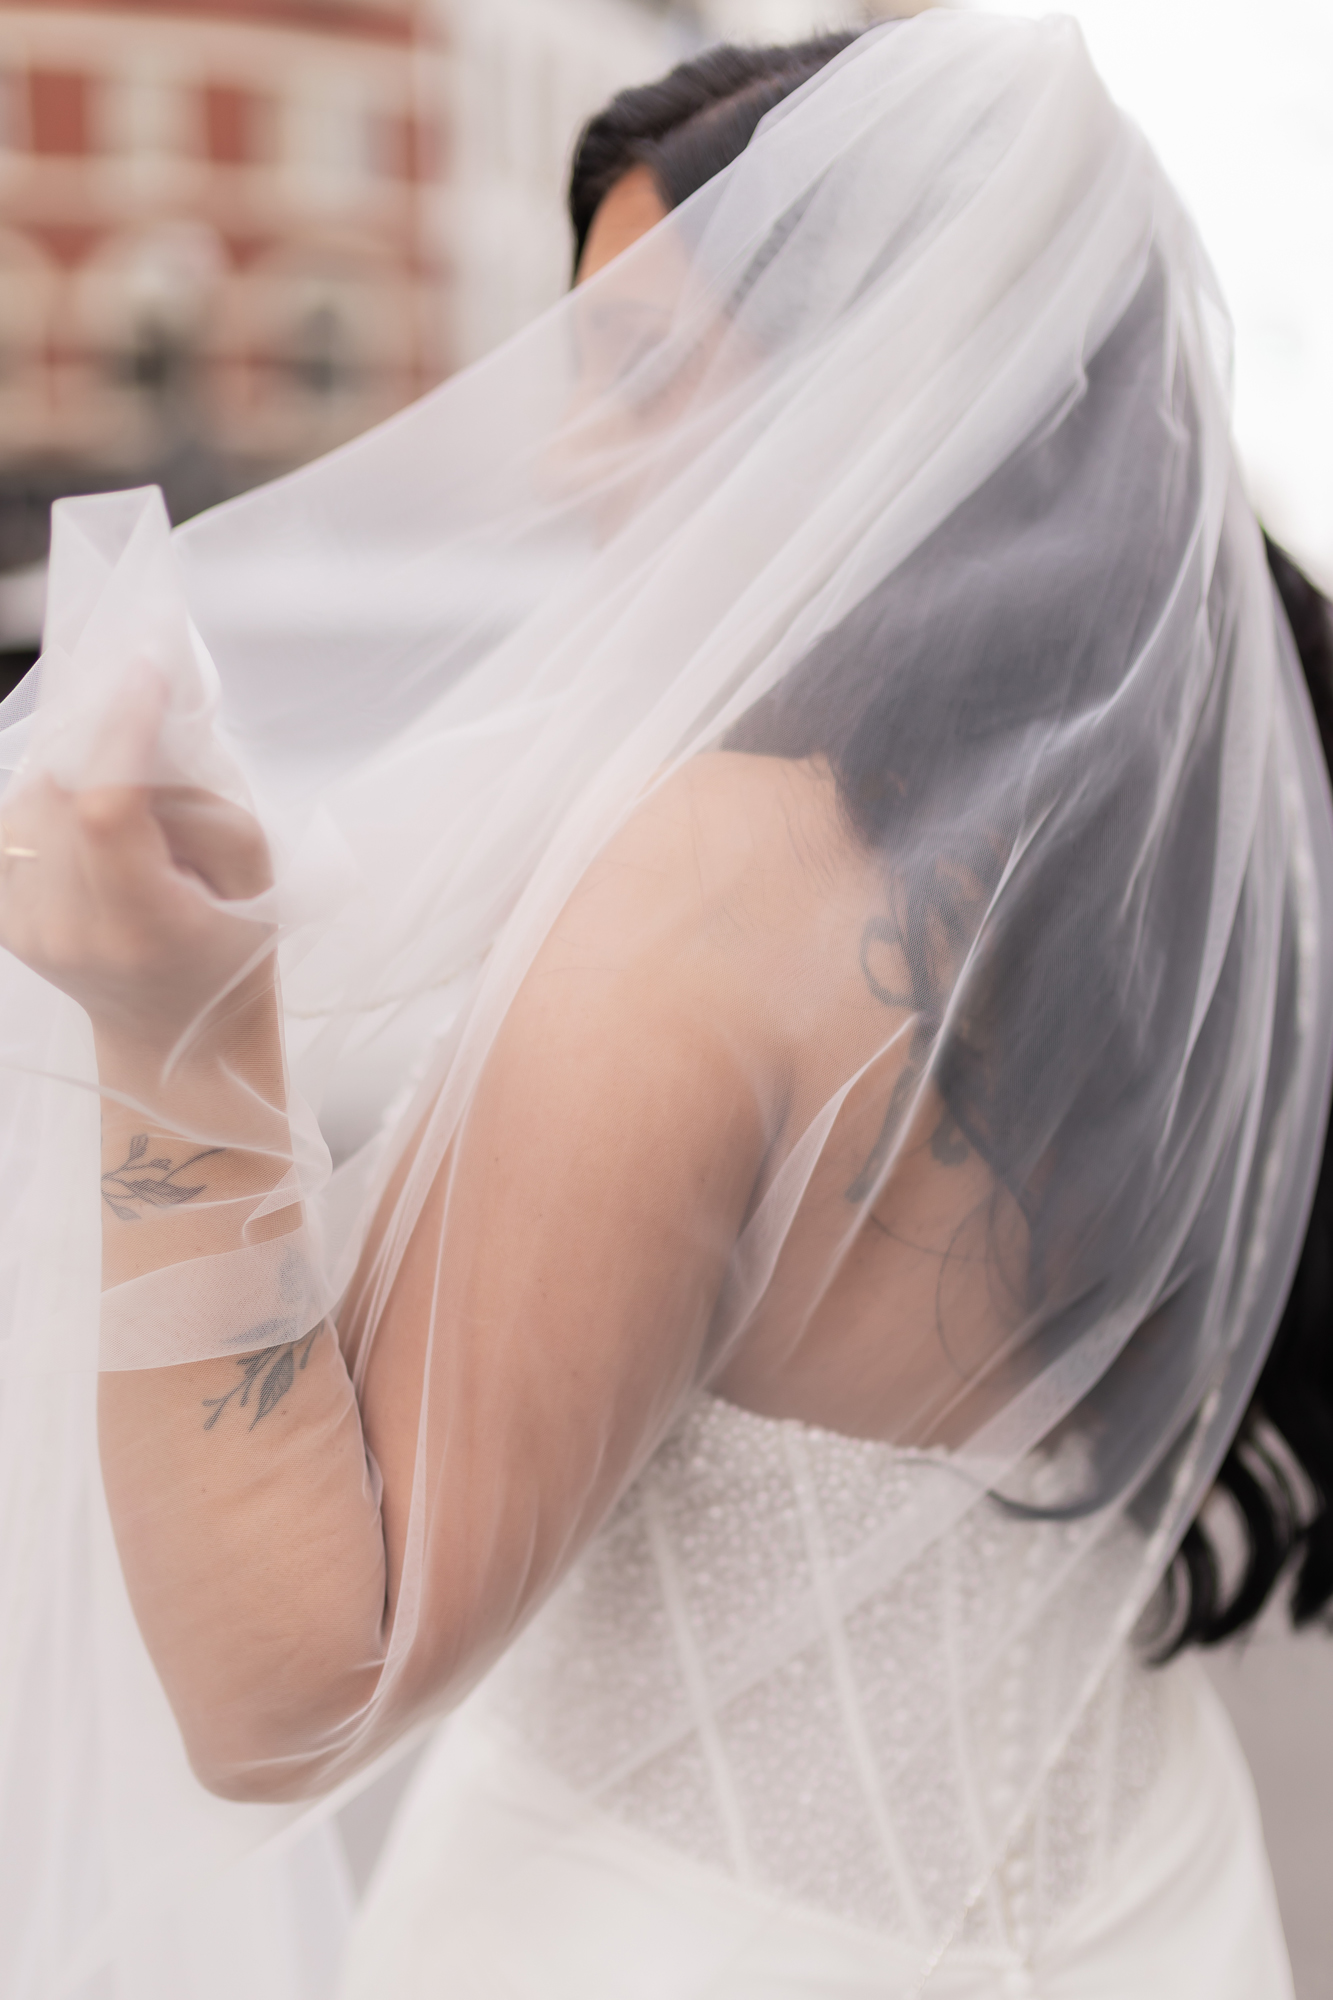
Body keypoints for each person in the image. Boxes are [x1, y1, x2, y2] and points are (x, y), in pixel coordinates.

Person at [0, 16, 1330, 1999]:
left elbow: (289, 1683)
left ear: (880, 396)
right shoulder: (1164, 866)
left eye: (631, 374)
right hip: (1158, 1916)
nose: (563, 455)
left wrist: (168, 1021)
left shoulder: (713, 885)